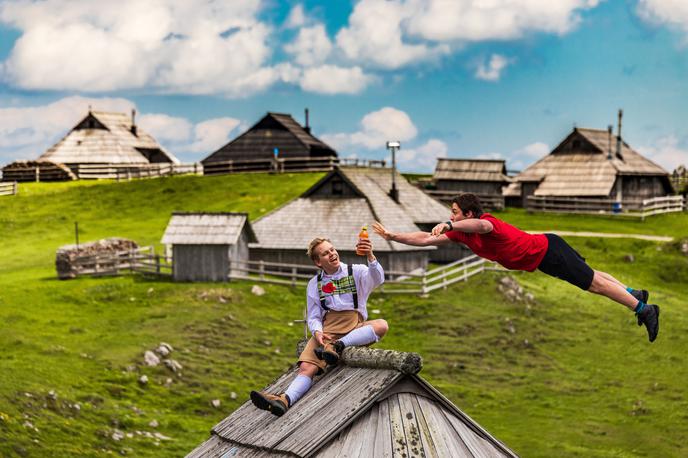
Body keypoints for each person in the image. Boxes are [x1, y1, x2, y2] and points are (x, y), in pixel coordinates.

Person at [372, 192, 659, 343]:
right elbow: (425, 239)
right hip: (547, 253)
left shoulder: (486, 223)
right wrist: (393, 236)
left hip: (549, 252)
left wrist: (449, 224)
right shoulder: (462, 233)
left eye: (455, 212)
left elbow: (481, 224)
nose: (451, 216)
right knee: (594, 276)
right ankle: (636, 294)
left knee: (594, 285)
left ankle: (644, 310)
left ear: (468, 214)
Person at [250, 235, 387, 417]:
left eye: (332, 249)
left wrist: (370, 255)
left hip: (355, 325)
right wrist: (317, 332)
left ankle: (339, 346)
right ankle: (284, 400)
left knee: (382, 325)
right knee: (306, 368)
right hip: (328, 329)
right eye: (325, 253)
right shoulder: (315, 284)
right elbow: (314, 316)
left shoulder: (357, 271)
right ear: (318, 262)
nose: (332, 254)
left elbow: (378, 279)